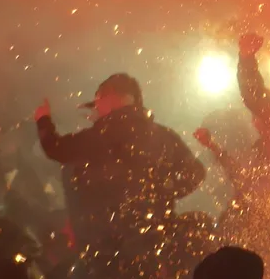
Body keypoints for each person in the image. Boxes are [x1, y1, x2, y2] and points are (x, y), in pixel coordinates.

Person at [34, 73, 205, 277]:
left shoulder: (105, 134)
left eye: (98, 101)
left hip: (108, 245)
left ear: (111, 97)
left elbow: (57, 149)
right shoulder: (163, 135)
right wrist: (161, 192)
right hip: (154, 240)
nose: (96, 108)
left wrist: (43, 120)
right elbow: (196, 173)